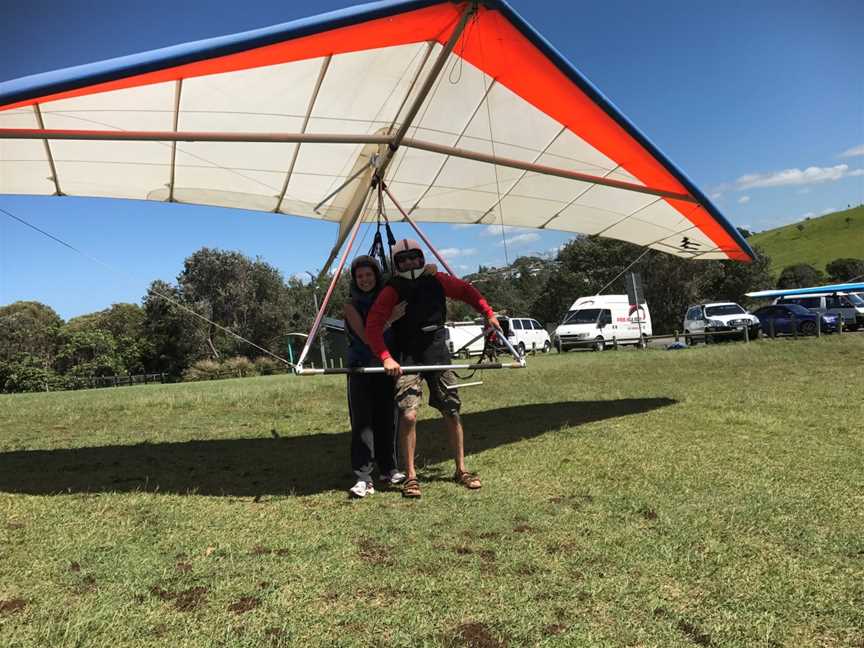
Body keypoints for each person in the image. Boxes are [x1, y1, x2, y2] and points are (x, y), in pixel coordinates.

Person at [365, 239, 500, 499]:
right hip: (408, 357)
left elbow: (467, 291)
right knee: (408, 415)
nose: (409, 263)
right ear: (396, 264)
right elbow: (373, 324)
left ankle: (461, 469)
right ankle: (411, 476)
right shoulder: (393, 289)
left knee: (451, 410)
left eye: (413, 257)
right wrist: (385, 357)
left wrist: (488, 312)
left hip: (437, 353)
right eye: (402, 259)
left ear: (421, 257)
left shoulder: (437, 279)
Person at [343, 255, 406, 498]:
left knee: (387, 418)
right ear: (355, 280)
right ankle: (363, 476)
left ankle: (389, 468)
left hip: (386, 367)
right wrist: (390, 320)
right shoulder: (351, 305)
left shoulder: (388, 298)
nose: (365, 279)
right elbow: (367, 337)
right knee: (362, 423)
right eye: (360, 276)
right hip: (361, 367)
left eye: (369, 275)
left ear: (376, 276)